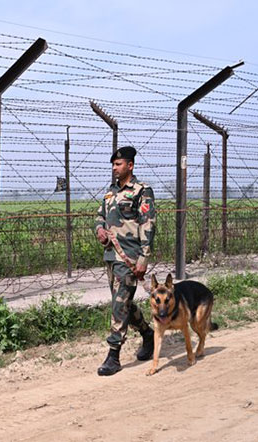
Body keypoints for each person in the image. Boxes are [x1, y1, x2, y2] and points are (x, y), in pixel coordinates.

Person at [94, 146, 156, 376]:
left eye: (118, 164)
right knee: (123, 303)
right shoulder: (110, 193)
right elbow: (99, 216)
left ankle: (113, 355)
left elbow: (148, 224)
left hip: (129, 257)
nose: (114, 168)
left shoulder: (141, 191)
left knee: (119, 305)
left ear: (130, 165)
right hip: (111, 256)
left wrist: (144, 257)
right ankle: (148, 334)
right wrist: (99, 229)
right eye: (113, 164)